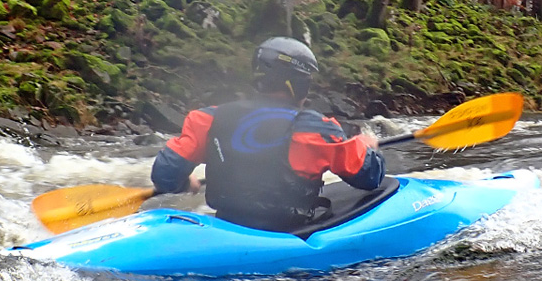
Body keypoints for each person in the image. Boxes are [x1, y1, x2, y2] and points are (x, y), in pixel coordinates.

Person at [150, 36, 387, 233]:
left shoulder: (207, 119)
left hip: (226, 228)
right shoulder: (316, 130)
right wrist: (368, 148)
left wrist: (183, 182)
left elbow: (164, 174)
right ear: (297, 84)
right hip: (285, 236)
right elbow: (369, 177)